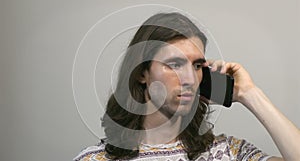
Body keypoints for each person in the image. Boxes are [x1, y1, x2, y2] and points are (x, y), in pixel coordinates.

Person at [74, 12, 300, 161]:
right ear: (143, 73)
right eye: (174, 64)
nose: (191, 79)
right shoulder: (95, 158)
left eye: (198, 65)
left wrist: (250, 94)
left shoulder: (227, 152)